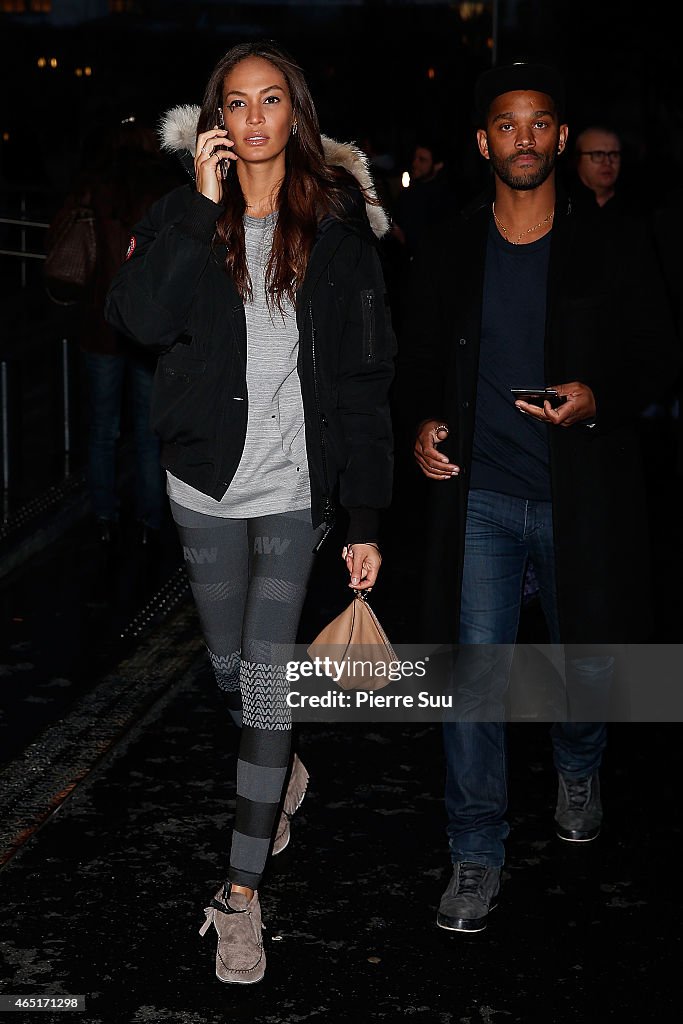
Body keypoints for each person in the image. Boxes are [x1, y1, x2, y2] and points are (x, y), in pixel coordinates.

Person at [104, 40, 395, 984]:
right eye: (239, 102)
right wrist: (195, 205)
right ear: (218, 119)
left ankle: (239, 894)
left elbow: (364, 381)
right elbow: (137, 322)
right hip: (204, 487)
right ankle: (280, 762)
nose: (257, 116)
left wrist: (364, 518)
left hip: (295, 493)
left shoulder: (340, 229)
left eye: (274, 99)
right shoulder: (185, 217)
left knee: (266, 683)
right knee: (235, 676)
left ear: (294, 114)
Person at [395, 59, 680, 933]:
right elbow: (412, 364)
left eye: (539, 123)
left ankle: (577, 759)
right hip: (479, 499)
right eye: (506, 125)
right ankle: (475, 854)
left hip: (580, 497)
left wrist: (600, 396)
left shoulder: (612, 243)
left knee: (582, 665)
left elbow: (658, 355)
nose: (524, 138)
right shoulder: (448, 244)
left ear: (559, 136)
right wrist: (420, 427)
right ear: (484, 143)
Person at [47, 116, 185, 547]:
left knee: (103, 427)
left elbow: (61, 242)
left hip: (100, 325)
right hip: (148, 332)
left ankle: (105, 516)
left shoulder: (93, 189)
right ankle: (149, 522)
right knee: (148, 432)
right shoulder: (163, 194)